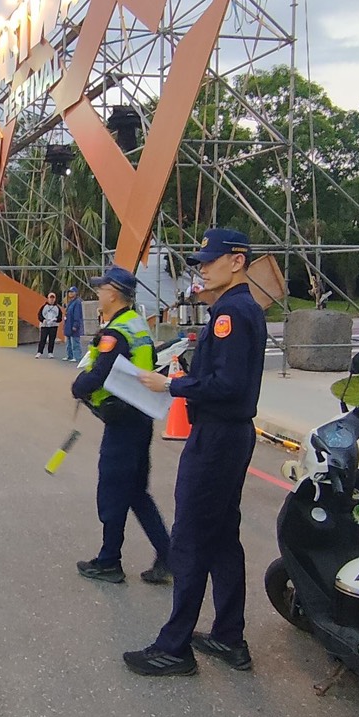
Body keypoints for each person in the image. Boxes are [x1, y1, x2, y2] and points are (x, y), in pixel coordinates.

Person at [127, 228, 266, 676]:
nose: (202, 269)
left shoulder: (231, 313)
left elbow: (227, 387)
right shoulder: (236, 308)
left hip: (217, 436)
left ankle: (175, 647)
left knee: (188, 540)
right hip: (229, 434)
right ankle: (229, 637)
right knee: (223, 537)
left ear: (237, 261)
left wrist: (173, 384)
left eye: (209, 261)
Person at [70, 266, 172, 586]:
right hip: (140, 418)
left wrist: (78, 387)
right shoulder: (135, 323)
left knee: (113, 492)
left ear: (113, 294)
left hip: (123, 422)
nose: (98, 293)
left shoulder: (115, 333)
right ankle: (168, 556)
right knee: (136, 493)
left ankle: (109, 561)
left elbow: (98, 374)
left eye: (101, 289)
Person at [61, 284, 84, 361]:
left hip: (73, 324)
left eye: (72, 292)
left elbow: (77, 315)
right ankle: (69, 355)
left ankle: (77, 357)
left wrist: (75, 325)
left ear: (76, 293)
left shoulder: (77, 302)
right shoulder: (70, 302)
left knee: (75, 342)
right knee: (68, 342)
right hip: (68, 324)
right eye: (69, 292)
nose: (70, 293)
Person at [35, 291, 61, 358]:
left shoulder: (57, 308)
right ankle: (39, 352)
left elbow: (60, 317)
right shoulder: (44, 307)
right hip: (45, 325)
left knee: (52, 340)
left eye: (53, 298)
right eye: (50, 298)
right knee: (42, 339)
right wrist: (43, 320)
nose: (52, 299)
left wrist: (56, 319)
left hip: (53, 326)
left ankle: (50, 352)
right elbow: (39, 315)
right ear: (48, 298)